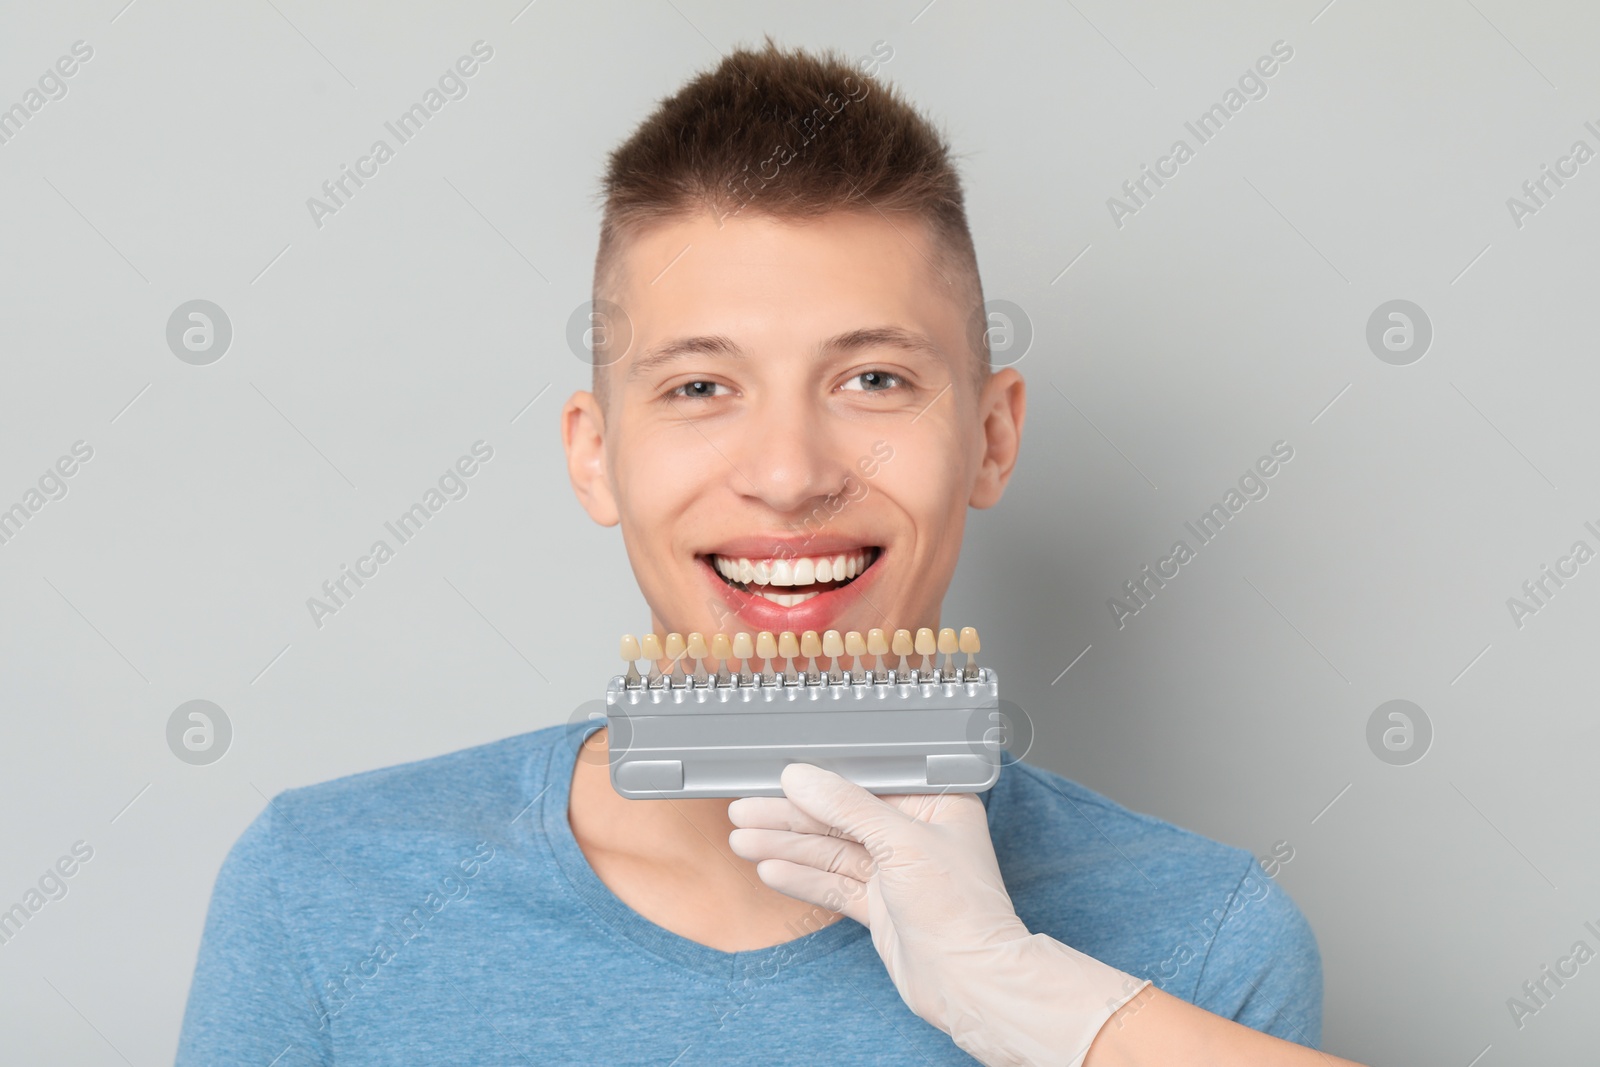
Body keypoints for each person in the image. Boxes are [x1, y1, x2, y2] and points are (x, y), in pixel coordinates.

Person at [176, 40, 1365, 1066]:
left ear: (992, 437)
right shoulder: (327, 892)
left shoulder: (1200, 941)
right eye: (700, 385)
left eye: (873, 379)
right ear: (595, 456)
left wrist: (1026, 995)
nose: (790, 471)